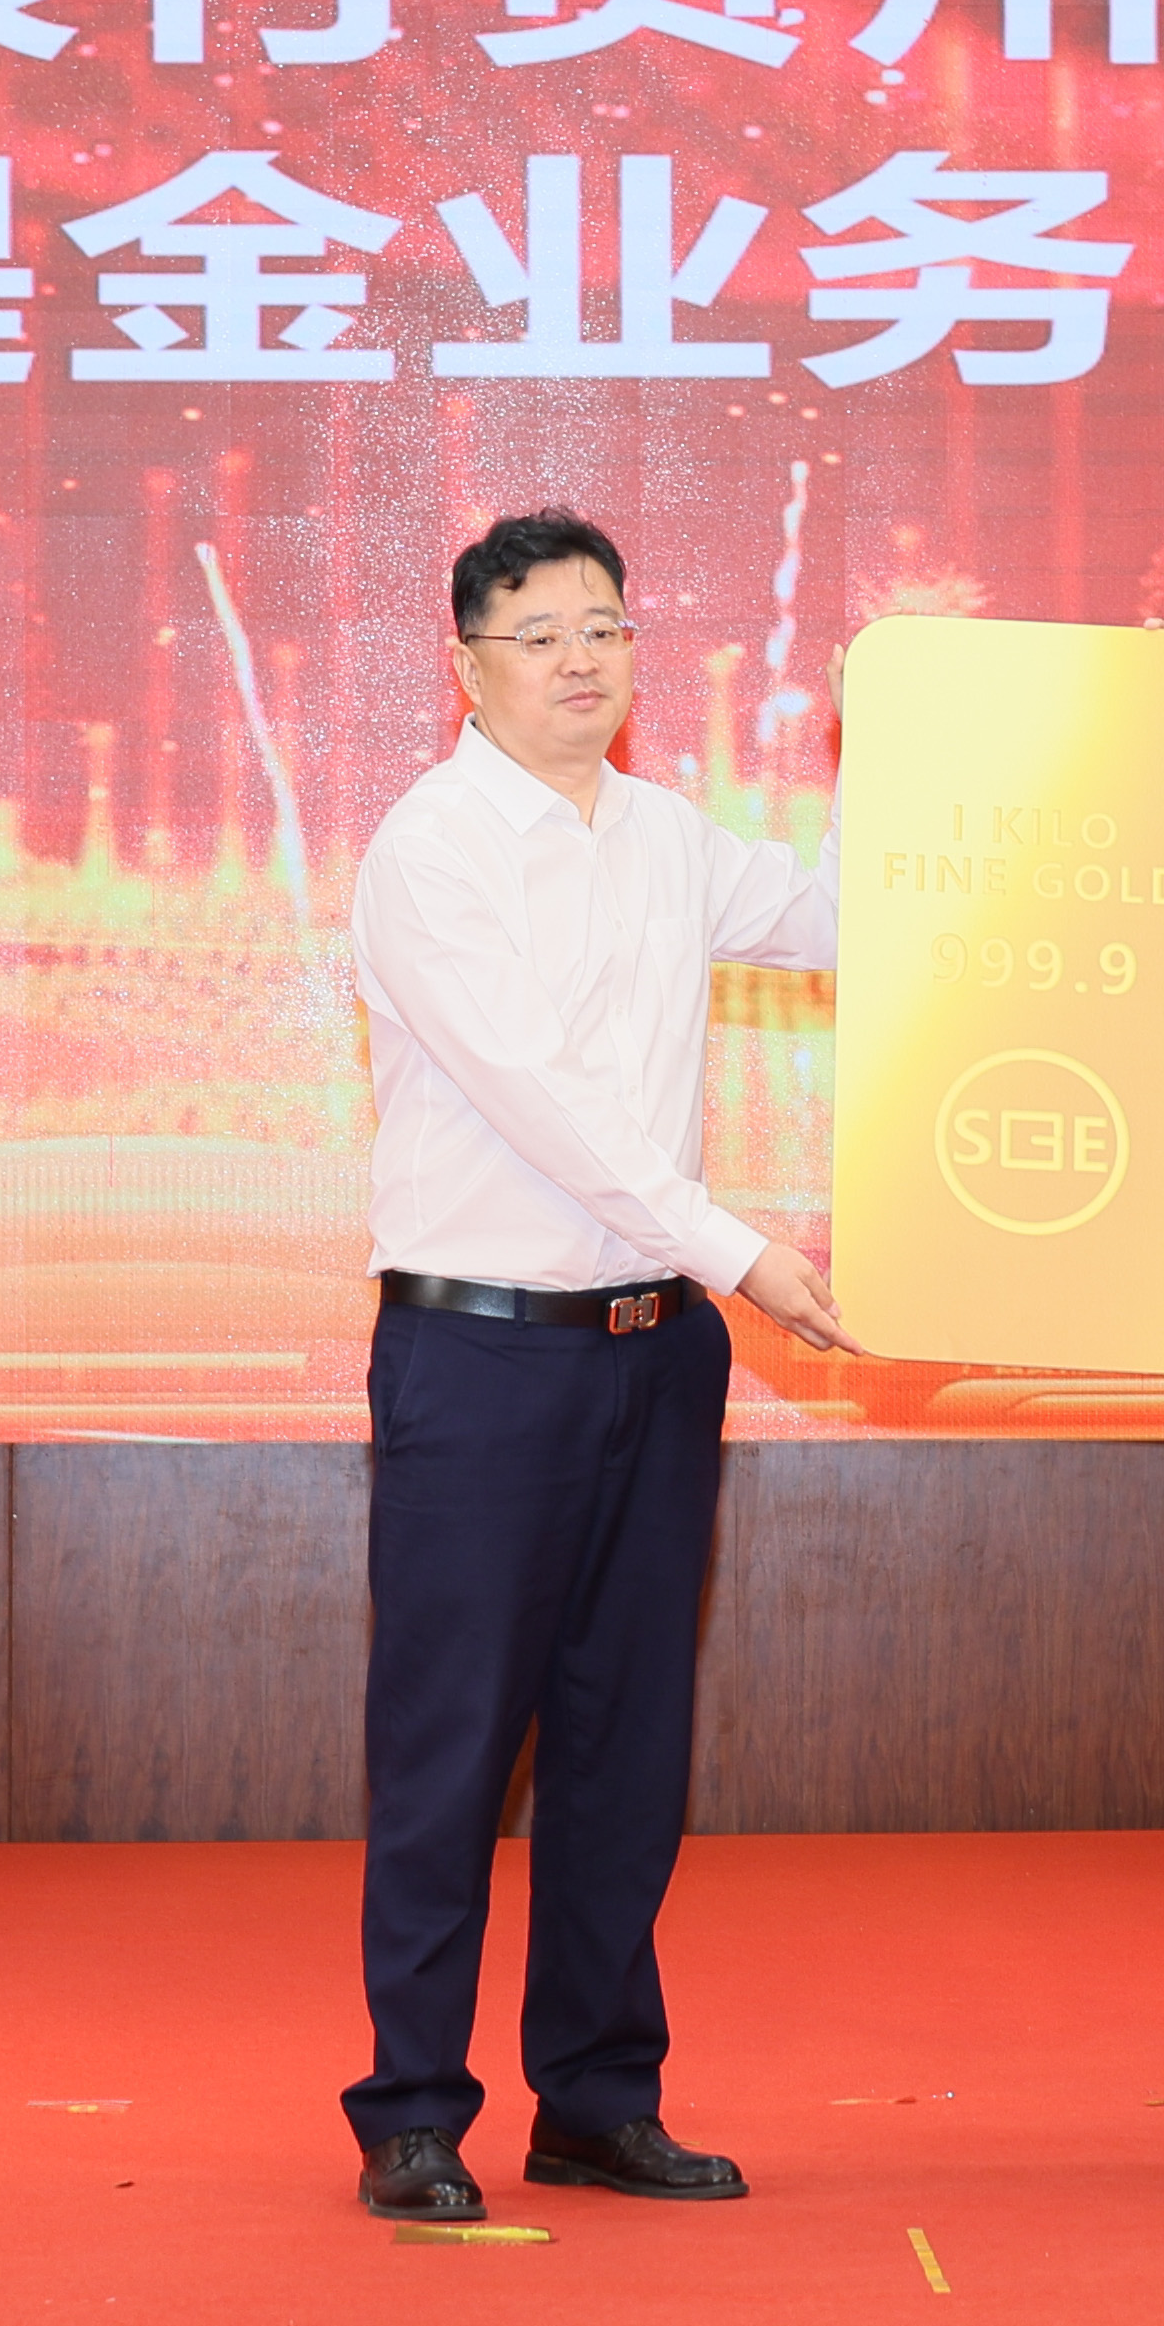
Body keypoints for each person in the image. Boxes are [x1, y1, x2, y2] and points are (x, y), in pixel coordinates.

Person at [338, 508, 861, 2226]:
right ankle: (413, 2111)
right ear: (467, 667)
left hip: (656, 1353)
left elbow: (850, 919)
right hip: (484, 1355)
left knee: (627, 1746)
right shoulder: (432, 851)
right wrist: (744, 1255)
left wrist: (925, 751)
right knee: (452, 1743)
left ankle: (597, 2098)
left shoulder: (664, 835)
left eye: (606, 630)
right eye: (540, 634)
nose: (581, 661)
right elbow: (545, 1106)